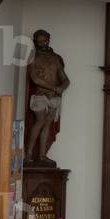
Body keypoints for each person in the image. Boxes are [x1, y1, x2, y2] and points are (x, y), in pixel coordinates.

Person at [24, 30, 69, 167]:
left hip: (54, 97)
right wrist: (54, 88)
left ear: (49, 40)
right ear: (35, 42)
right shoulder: (33, 56)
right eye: (39, 41)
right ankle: (28, 155)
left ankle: (42, 155)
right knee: (40, 120)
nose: (42, 43)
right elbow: (35, 79)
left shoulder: (55, 58)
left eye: (44, 40)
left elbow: (65, 79)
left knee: (47, 124)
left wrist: (62, 87)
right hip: (41, 94)